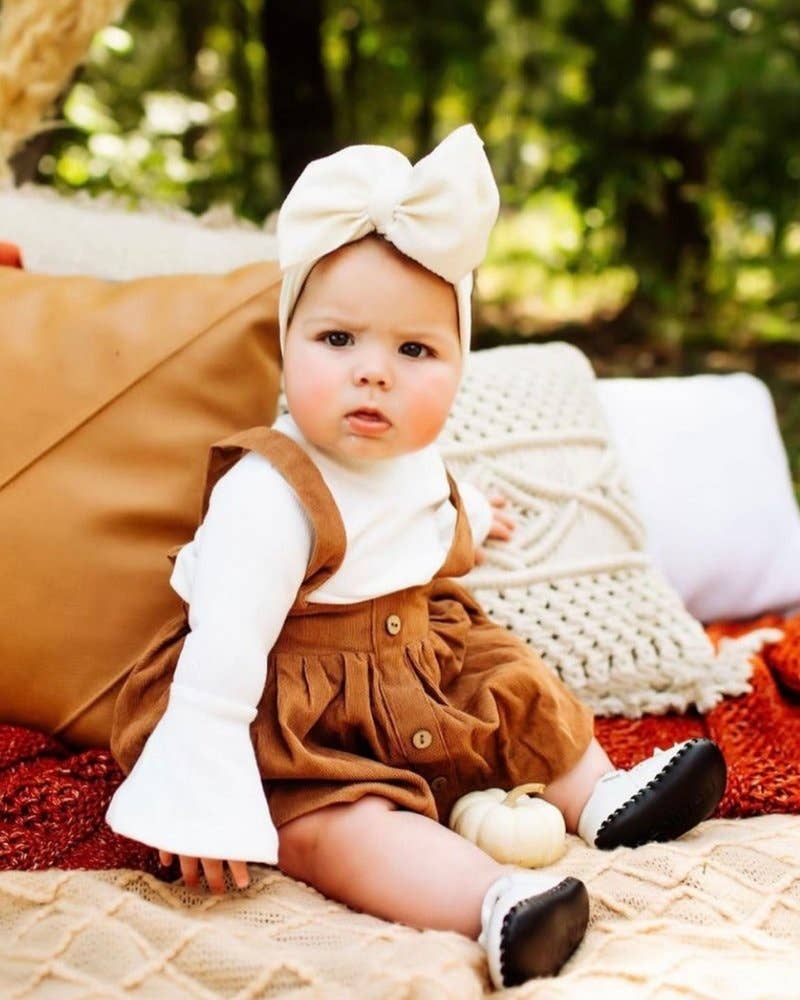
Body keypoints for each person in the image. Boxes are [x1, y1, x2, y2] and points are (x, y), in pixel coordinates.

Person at [105, 124, 727, 990]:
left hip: (420, 659)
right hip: (297, 708)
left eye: (414, 351)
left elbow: (424, 508)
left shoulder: (412, 456)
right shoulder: (270, 492)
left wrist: (474, 515)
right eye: (337, 340)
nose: (374, 374)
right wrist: (200, 792)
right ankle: (500, 900)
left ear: (457, 367)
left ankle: (601, 796)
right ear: (286, 348)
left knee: (510, 677)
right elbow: (222, 658)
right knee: (340, 820)